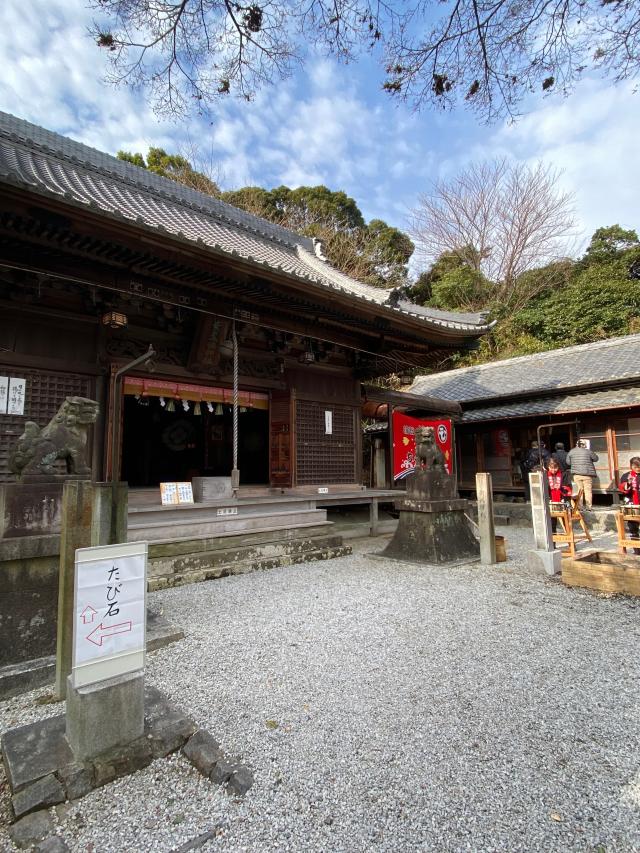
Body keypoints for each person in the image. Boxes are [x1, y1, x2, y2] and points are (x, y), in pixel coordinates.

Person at [566, 439, 599, 510]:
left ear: (576, 445)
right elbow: (596, 458)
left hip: (576, 474)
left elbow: (568, 463)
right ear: (584, 445)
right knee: (588, 491)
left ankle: (580, 506)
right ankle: (589, 507)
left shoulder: (571, 451)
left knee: (579, 490)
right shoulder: (588, 451)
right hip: (587, 474)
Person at [618, 456, 640, 552]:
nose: (638, 469)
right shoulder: (626, 476)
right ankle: (637, 550)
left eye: (639, 466)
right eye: (635, 467)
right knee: (633, 528)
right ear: (631, 466)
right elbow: (623, 490)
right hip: (631, 504)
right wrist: (629, 483)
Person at [545, 458, 572, 533]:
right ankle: (552, 542)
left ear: (558, 467)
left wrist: (560, 488)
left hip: (562, 500)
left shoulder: (564, 474)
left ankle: (570, 539)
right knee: (551, 522)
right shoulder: (545, 475)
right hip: (550, 501)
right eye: (551, 468)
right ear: (548, 467)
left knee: (566, 521)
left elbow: (568, 488)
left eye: (555, 468)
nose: (553, 470)